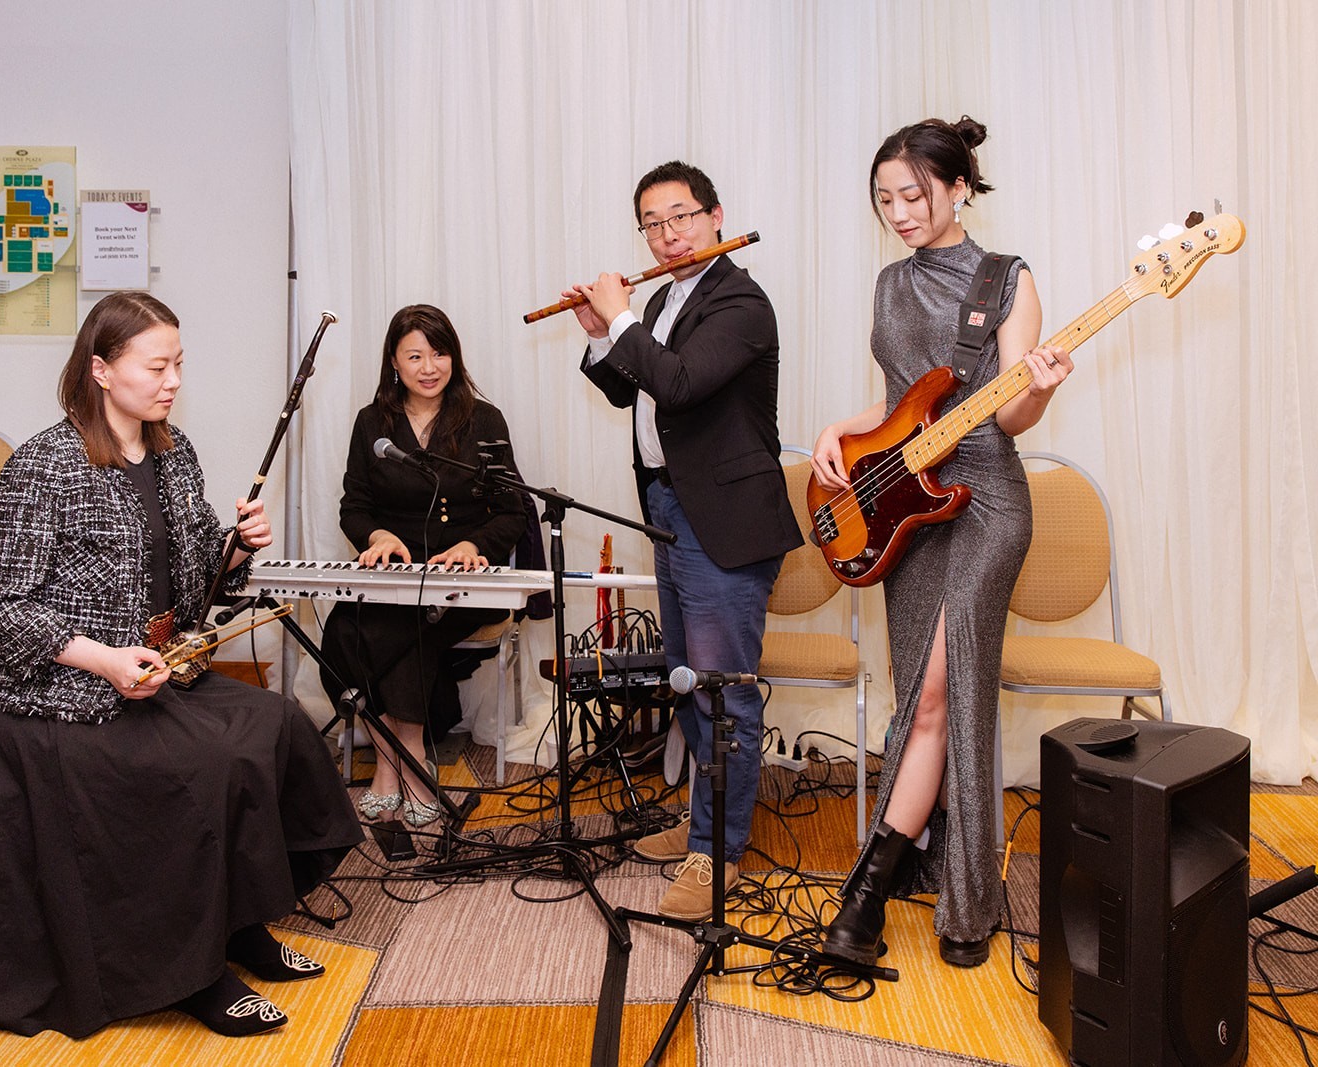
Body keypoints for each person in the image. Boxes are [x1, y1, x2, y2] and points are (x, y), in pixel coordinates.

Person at [0, 291, 362, 1039]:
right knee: (197, 765)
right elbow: (2, 609)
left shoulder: (173, 451)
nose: (172, 381)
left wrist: (236, 548)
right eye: (156, 366)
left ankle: (238, 924)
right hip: (57, 693)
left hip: (155, 675)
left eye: (178, 365)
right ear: (100, 369)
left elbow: (195, 581)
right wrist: (104, 660)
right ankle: (194, 971)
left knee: (274, 724)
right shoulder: (44, 464)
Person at [811, 117, 1072, 969]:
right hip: (906, 506)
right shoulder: (890, 282)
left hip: (986, 500)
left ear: (960, 188)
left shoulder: (1008, 279)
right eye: (885, 199)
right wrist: (841, 430)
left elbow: (1007, 413)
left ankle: (871, 895)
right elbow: (901, 403)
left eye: (914, 196)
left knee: (936, 693)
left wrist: (1037, 390)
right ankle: (929, 860)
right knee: (923, 694)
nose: (899, 213)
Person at [566, 161, 803, 921]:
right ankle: (703, 824)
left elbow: (679, 384)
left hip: (723, 518)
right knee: (687, 683)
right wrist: (603, 334)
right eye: (653, 224)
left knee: (722, 691)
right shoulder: (665, 300)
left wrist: (624, 323)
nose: (668, 235)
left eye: (682, 217)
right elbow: (633, 388)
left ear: (715, 215)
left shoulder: (741, 300)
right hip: (668, 508)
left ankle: (718, 852)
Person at [320, 304, 526, 827]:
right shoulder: (372, 423)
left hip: (464, 581)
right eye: (415, 356)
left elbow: (513, 510)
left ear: (454, 357)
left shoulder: (484, 420)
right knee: (346, 628)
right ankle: (404, 762)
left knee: (400, 627)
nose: (429, 367)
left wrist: (474, 545)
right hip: (393, 575)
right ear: (394, 361)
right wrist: (377, 535)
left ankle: (396, 768)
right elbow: (354, 507)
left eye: (439, 354)